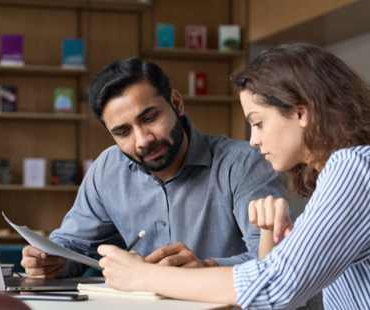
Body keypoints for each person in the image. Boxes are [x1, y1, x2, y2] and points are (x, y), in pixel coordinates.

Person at [97, 43, 370, 309]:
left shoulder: (354, 168)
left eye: (258, 123)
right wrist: (268, 233)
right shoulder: (345, 171)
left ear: (301, 112)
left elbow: (276, 287)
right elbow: (284, 294)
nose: (253, 140)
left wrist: (144, 276)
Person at [21, 58, 290, 279]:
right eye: (123, 132)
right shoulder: (107, 169)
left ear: (176, 103)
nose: (143, 140)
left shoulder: (243, 163)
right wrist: (48, 261)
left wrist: (206, 267)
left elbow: (276, 262)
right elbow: (73, 247)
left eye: (150, 118)